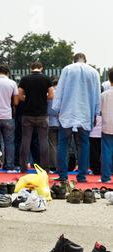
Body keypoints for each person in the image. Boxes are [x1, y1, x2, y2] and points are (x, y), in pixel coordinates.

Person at [53, 53, 101, 182]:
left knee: (63, 144)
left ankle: (63, 175)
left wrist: (57, 109)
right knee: (84, 144)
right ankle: (82, 176)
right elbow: (97, 94)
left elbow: (60, 90)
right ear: (86, 60)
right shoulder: (94, 72)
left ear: (73, 60)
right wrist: (96, 112)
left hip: (67, 111)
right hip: (86, 113)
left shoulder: (67, 69)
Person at [18, 62, 54, 173]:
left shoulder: (25, 79)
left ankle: (23, 167)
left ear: (31, 68)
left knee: (25, 140)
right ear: (41, 68)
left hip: (28, 114)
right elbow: (51, 95)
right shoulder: (46, 79)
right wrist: (43, 100)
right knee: (43, 141)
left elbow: (19, 95)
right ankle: (45, 168)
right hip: (42, 115)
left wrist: (27, 100)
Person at [100, 69, 113, 183]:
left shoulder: (104, 95)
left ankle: (106, 177)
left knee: (106, 152)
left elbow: (99, 111)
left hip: (107, 125)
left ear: (109, 80)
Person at [48, 77, 60, 171]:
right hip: (62, 123)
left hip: (50, 122)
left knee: (52, 145)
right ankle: (62, 165)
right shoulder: (62, 94)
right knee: (63, 145)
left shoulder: (49, 94)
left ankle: (53, 165)